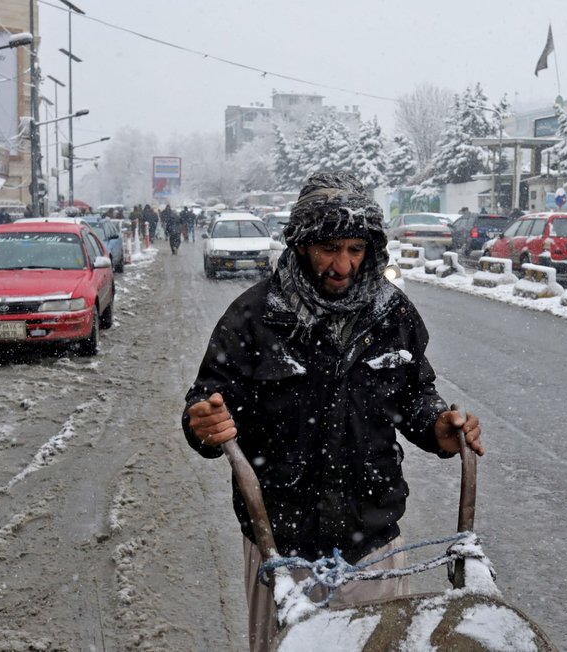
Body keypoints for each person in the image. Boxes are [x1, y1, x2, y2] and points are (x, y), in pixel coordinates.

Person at [182, 170, 484, 652]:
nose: (343, 266)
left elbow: (413, 394)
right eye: (329, 249)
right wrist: (202, 424)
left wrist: (439, 427)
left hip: (374, 540)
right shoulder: (255, 316)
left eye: (355, 250)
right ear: (302, 245)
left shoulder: (392, 314)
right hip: (280, 547)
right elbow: (206, 404)